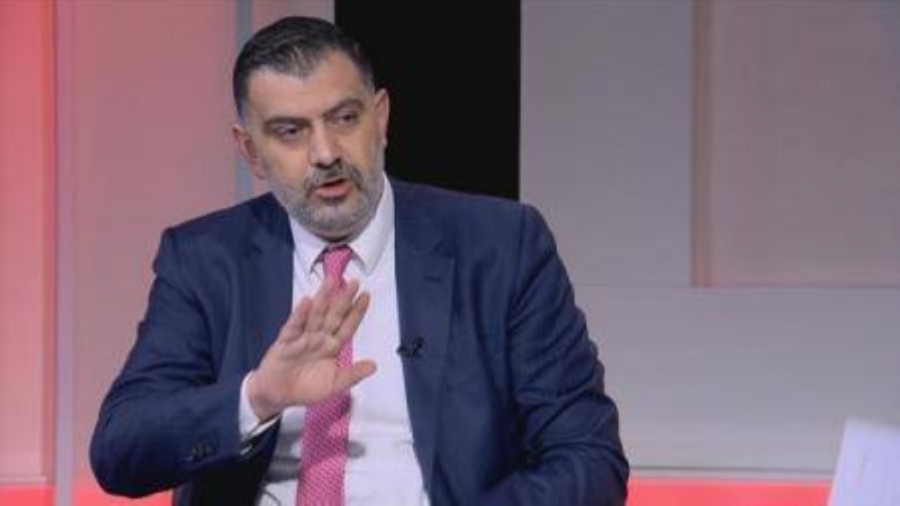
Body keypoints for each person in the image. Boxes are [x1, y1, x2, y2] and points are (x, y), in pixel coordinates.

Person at [90, 15, 628, 506]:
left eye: (344, 118)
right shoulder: (206, 259)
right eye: (291, 131)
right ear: (251, 151)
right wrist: (258, 397)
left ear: (381, 117)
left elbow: (587, 458)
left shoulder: (499, 246)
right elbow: (121, 451)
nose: (326, 153)